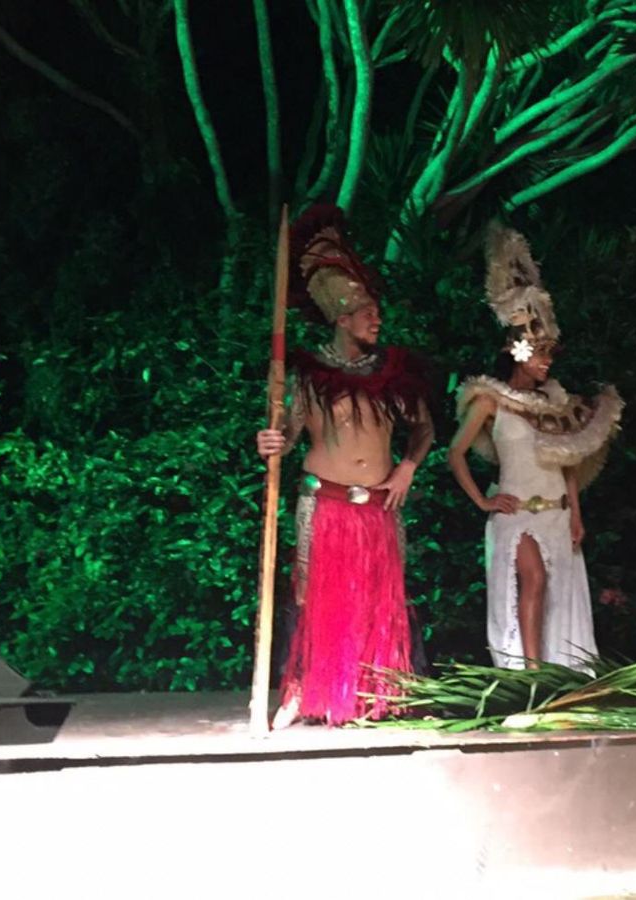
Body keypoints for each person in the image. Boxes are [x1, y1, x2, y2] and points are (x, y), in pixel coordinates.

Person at [255, 205, 433, 727]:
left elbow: (424, 429)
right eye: (367, 312)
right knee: (312, 596)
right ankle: (300, 690)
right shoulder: (308, 377)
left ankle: (378, 693)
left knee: (380, 599)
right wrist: (270, 440)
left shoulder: (394, 377)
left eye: (377, 311)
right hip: (325, 502)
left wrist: (408, 467)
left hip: (378, 507)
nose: (377, 319)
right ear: (341, 318)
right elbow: (287, 435)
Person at [448, 224, 622, 670]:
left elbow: (567, 460)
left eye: (550, 354)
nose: (547, 361)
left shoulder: (556, 402)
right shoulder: (490, 399)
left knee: (556, 593)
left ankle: (557, 671)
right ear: (519, 352)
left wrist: (576, 514)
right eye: (540, 352)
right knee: (535, 579)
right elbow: (455, 453)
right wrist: (483, 500)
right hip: (517, 512)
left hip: (557, 512)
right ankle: (532, 674)